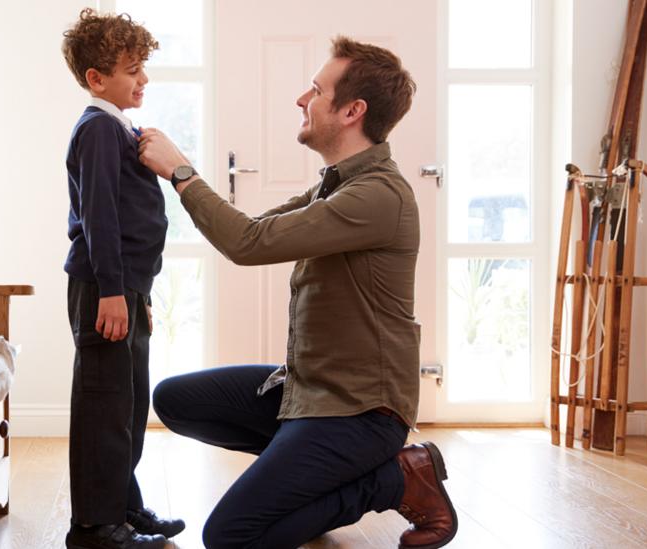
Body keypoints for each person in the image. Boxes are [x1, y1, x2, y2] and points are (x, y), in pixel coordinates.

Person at [137, 36, 458, 549]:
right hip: (306, 392)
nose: (301, 100)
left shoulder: (377, 196)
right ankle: (311, 485)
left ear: (352, 111)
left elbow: (245, 243)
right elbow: (249, 229)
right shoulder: (334, 185)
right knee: (175, 401)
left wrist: (181, 170)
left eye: (315, 90)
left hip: (360, 413)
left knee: (229, 536)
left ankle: (393, 479)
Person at [60, 9, 185, 549]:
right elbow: (101, 216)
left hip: (126, 289)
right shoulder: (98, 130)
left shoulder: (119, 127)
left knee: (129, 403)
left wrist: (137, 294)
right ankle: (94, 527)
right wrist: (111, 290)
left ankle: (124, 509)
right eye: (132, 69)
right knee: (104, 406)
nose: (144, 79)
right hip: (103, 288)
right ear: (96, 78)